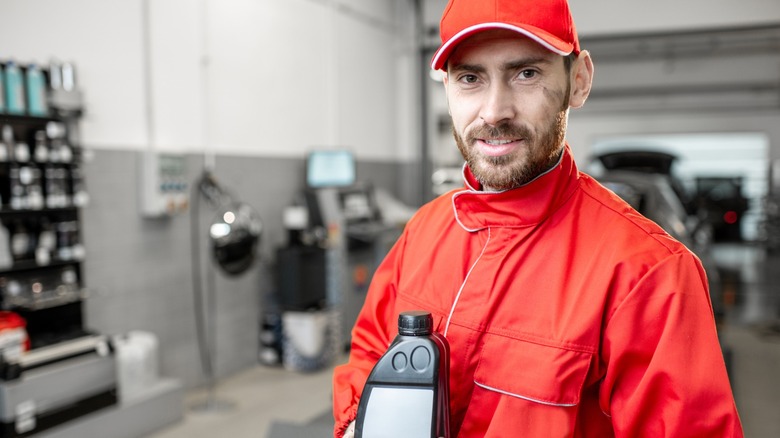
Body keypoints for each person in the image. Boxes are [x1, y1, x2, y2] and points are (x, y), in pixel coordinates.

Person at [332, 0, 744, 436]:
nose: (494, 111)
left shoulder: (648, 273)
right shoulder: (425, 230)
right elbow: (368, 357)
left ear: (578, 81)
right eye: (470, 78)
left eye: (525, 73)